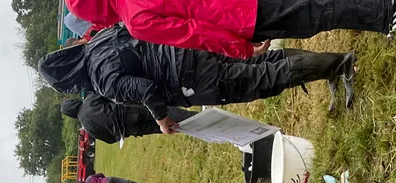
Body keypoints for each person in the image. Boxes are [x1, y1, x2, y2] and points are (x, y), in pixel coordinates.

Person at [39, 25, 357, 131]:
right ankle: (331, 67)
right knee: (260, 61)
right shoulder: (98, 41)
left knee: (261, 79)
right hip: (186, 47)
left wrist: (162, 120)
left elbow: (147, 90)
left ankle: (340, 65)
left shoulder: (100, 79)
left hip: (188, 77)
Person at [65, 0, 396, 59]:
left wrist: (241, 48)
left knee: (311, 14)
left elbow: (195, 33)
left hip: (239, 16)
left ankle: (385, 12)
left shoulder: (136, 21)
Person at [61, 96, 195, 144]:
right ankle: (197, 119)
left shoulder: (88, 128)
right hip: (130, 111)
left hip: (130, 130)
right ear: (74, 102)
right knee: (164, 115)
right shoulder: (89, 101)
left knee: (166, 129)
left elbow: (109, 140)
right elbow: (109, 95)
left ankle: (195, 128)